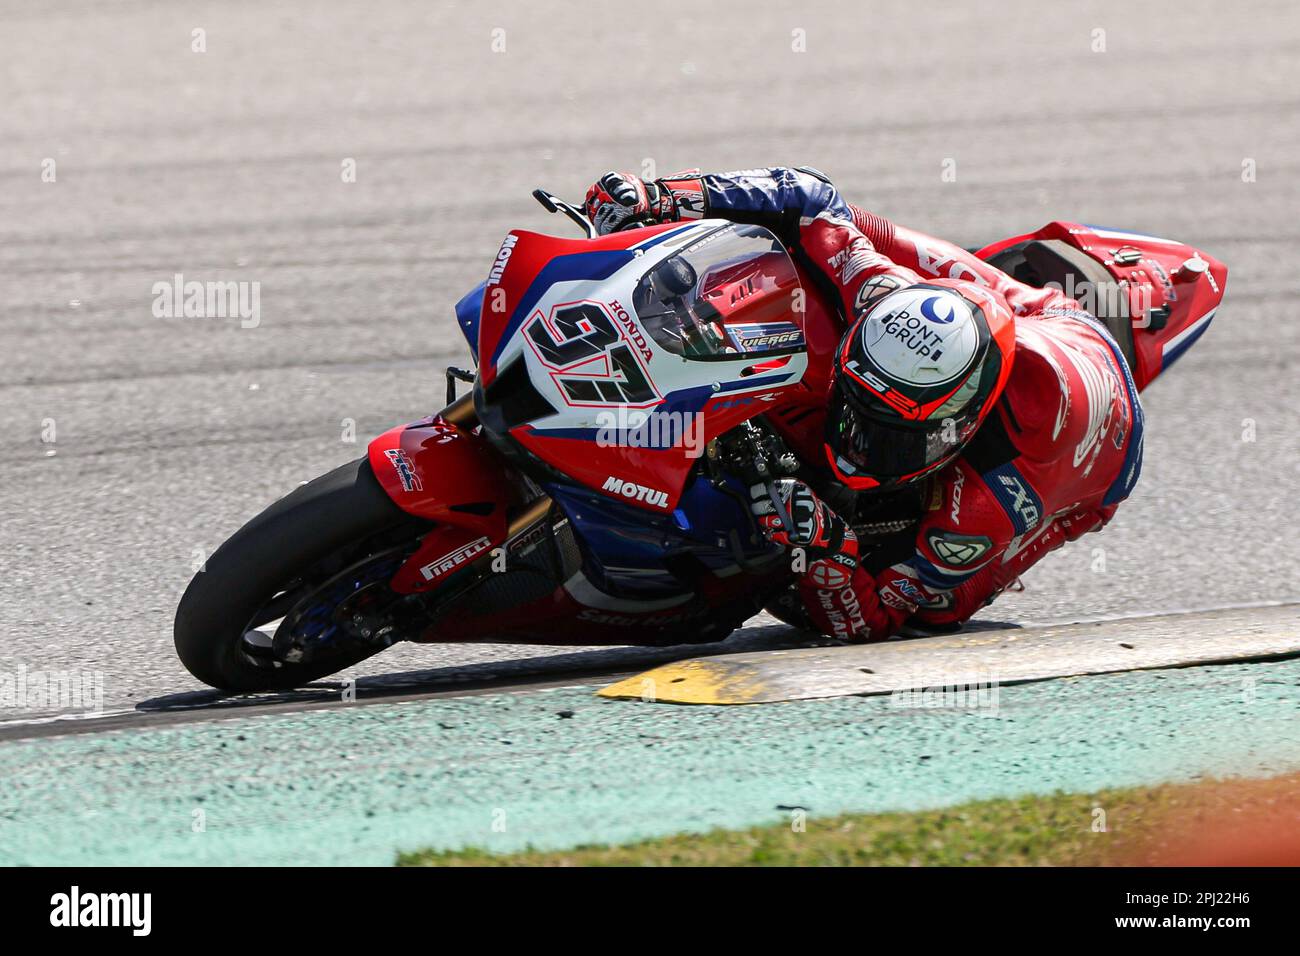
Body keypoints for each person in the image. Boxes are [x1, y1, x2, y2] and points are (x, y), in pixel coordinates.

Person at [583, 167, 1144, 641]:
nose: (854, 449)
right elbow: (809, 197)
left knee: (935, 610)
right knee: (839, 235)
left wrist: (824, 548)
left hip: (1090, 460)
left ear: (958, 428)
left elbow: (872, 623)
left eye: (890, 437)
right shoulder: (879, 290)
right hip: (1028, 313)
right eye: (854, 409)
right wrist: (660, 196)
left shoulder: (990, 500)